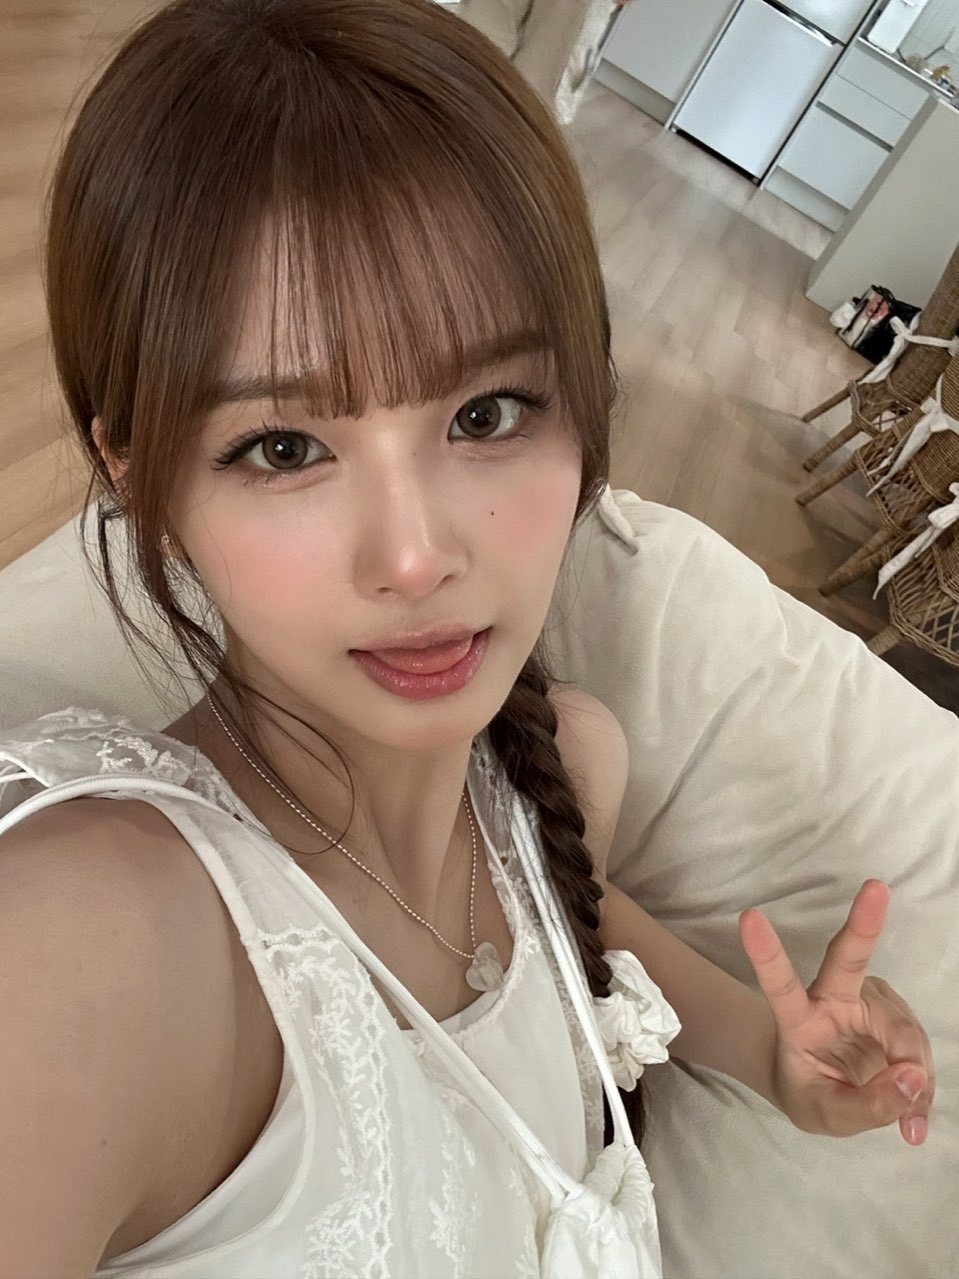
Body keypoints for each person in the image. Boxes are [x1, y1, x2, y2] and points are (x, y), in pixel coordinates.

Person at [0, 1, 934, 1275]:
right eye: (284, 446)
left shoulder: (557, 780)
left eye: (486, 413)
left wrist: (787, 1061)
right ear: (137, 474)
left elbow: (599, 942)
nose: (414, 556)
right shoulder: (90, 944)